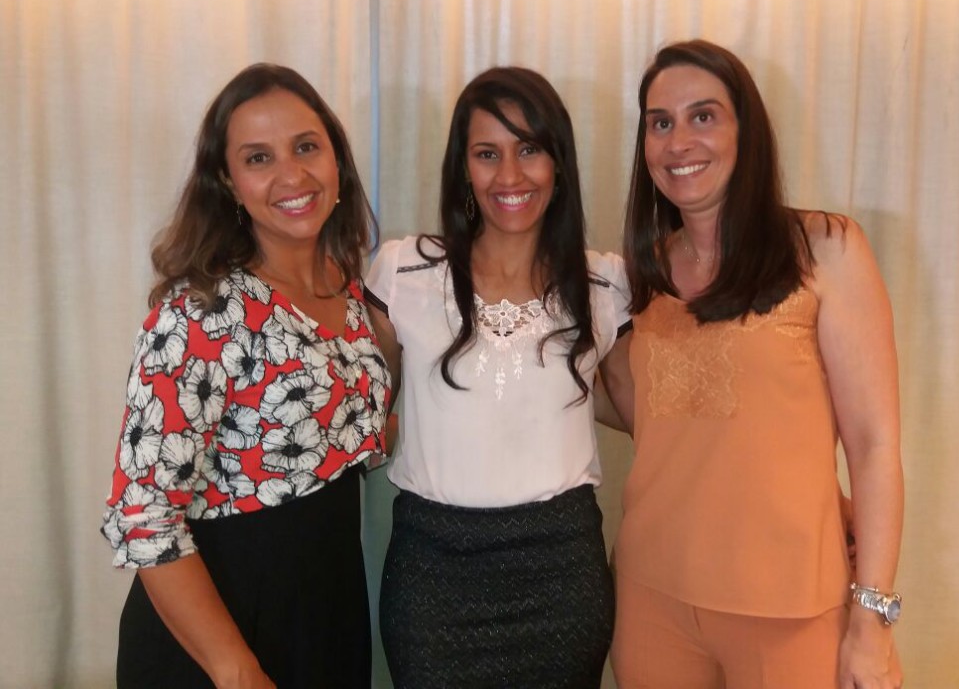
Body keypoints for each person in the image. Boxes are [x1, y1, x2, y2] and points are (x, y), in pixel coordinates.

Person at [611, 40, 904, 689]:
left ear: (747, 129)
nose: (679, 140)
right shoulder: (644, 270)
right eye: (660, 123)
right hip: (652, 594)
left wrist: (872, 620)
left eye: (703, 116)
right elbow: (651, 417)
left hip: (790, 608)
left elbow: (875, 446)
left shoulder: (826, 248)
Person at [100, 64, 391, 689]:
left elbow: (348, 434)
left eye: (306, 147)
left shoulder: (349, 287)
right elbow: (143, 513)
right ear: (228, 183)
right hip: (220, 634)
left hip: (327, 608)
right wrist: (237, 672)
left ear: (337, 159)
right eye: (259, 158)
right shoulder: (199, 314)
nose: (292, 175)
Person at [364, 66, 633, 689]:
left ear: (559, 163)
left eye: (530, 150)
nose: (510, 176)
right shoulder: (403, 273)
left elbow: (660, 421)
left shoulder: (605, 286)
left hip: (561, 574)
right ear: (464, 167)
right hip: (433, 574)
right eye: (488, 154)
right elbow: (357, 417)